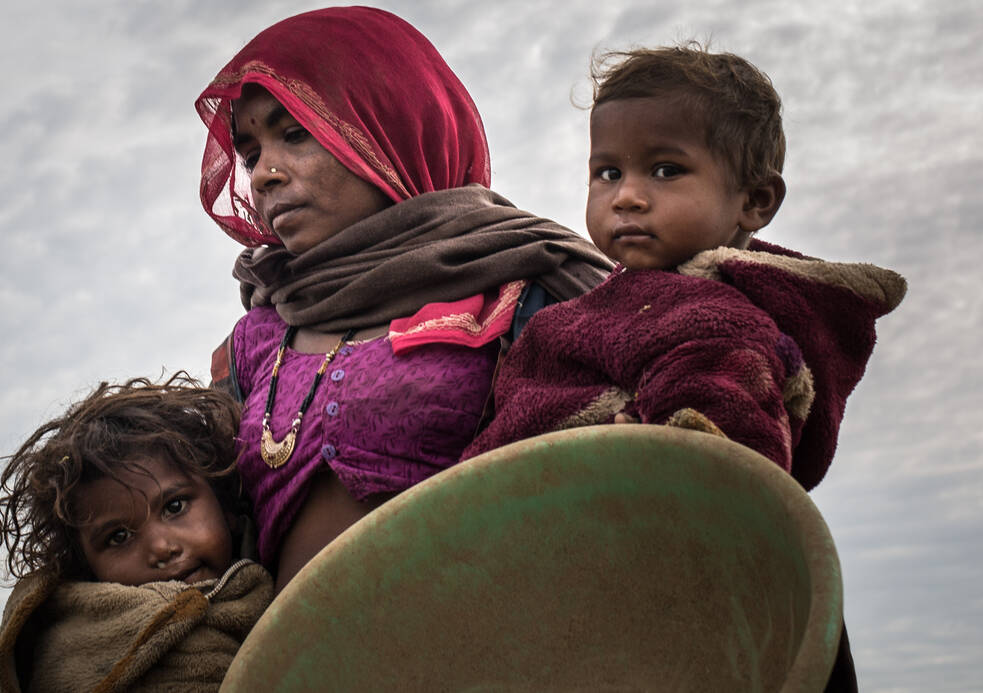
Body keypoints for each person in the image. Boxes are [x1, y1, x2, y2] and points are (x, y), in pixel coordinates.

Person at [197, 7, 611, 590]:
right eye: (250, 154)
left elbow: (616, 484)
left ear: (385, 127)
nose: (264, 173)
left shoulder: (525, 283)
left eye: (294, 134)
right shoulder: (255, 340)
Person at [462, 44, 907, 494]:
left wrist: (657, 455)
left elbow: (727, 468)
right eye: (609, 173)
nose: (626, 197)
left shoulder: (719, 322)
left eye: (666, 170)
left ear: (756, 201)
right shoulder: (616, 301)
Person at [0, 374, 273, 693]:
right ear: (87, 569)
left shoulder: (282, 571)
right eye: (119, 537)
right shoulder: (68, 652)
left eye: (175, 506)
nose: (161, 548)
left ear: (224, 503)